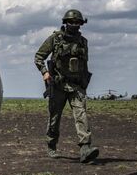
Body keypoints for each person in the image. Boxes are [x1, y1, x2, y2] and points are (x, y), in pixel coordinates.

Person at [34, 9, 99, 163]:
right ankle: (51, 145)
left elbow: (84, 65)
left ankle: (85, 149)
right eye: (71, 22)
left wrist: (83, 83)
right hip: (58, 85)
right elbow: (38, 57)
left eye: (77, 22)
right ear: (65, 23)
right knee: (54, 118)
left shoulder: (83, 42)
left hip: (76, 86)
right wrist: (44, 72)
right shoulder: (55, 39)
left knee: (81, 115)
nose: (74, 25)